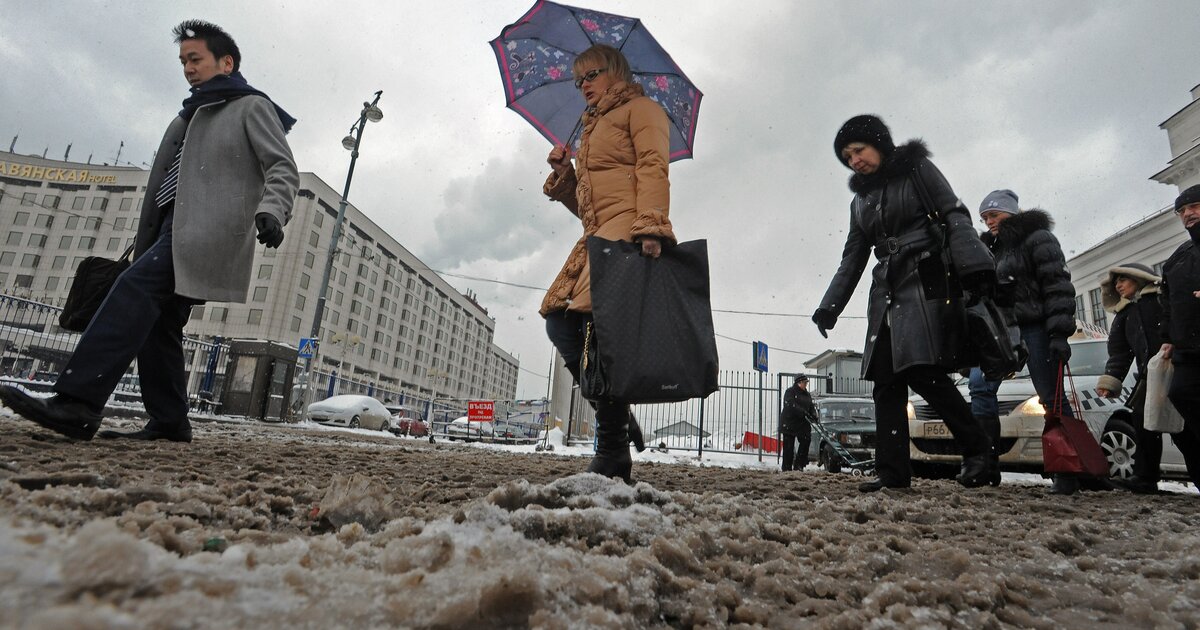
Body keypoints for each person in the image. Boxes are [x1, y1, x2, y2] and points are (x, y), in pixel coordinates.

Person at [0, 20, 298, 443]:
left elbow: (282, 167)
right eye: (183, 61)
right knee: (160, 327)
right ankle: (170, 421)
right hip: (168, 230)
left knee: (133, 291)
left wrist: (273, 210)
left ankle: (77, 403)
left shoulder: (250, 107)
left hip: (202, 233)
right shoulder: (189, 114)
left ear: (226, 62)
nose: (187, 69)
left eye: (195, 59)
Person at [813, 115, 995, 493]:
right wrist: (830, 305)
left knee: (922, 371)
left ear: (879, 143)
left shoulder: (917, 169)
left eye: (858, 150)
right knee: (884, 381)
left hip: (925, 278)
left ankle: (979, 450)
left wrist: (976, 266)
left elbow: (953, 212)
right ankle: (893, 473)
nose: (854, 161)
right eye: (846, 157)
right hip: (886, 289)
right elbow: (853, 257)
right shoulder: (860, 200)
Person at [540, 44, 674, 482]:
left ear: (615, 71)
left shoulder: (643, 109)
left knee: (593, 334)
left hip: (628, 233)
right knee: (561, 325)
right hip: (597, 235)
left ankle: (613, 451)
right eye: (578, 80)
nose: (583, 86)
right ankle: (615, 419)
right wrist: (566, 176)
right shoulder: (589, 130)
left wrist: (652, 226)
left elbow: (655, 165)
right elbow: (590, 210)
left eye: (591, 75)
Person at [967, 190, 1082, 494]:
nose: (989, 221)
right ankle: (986, 466)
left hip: (1035, 327)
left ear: (1012, 213)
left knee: (1050, 396)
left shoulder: (1038, 238)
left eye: (994, 214)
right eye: (984, 217)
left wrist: (1058, 334)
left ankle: (1066, 470)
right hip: (1001, 332)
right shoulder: (990, 250)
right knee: (979, 385)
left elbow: (1057, 285)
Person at [1095, 263, 1181, 493]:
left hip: (1178, 369)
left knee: (1184, 427)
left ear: (1138, 278)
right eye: (1116, 283)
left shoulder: (1162, 301)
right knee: (1143, 423)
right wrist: (1110, 380)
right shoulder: (1124, 315)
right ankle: (1145, 477)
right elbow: (1120, 352)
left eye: (1123, 280)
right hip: (1148, 377)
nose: (1119, 286)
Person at [1159, 184, 1200, 490]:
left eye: (1195, 206)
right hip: (1188, 350)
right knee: (1180, 395)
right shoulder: (1178, 258)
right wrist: (1169, 336)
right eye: (1182, 211)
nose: (1188, 214)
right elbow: (1167, 300)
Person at [778, 375, 817, 472]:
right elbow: (790, 405)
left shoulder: (807, 395)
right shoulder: (790, 392)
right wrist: (802, 412)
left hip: (803, 424)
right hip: (789, 423)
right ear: (799, 383)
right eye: (804, 382)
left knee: (806, 441)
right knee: (788, 447)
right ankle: (787, 468)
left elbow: (811, 406)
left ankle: (799, 465)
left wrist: (813, 414)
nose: (806, 384)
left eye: (806, 383)